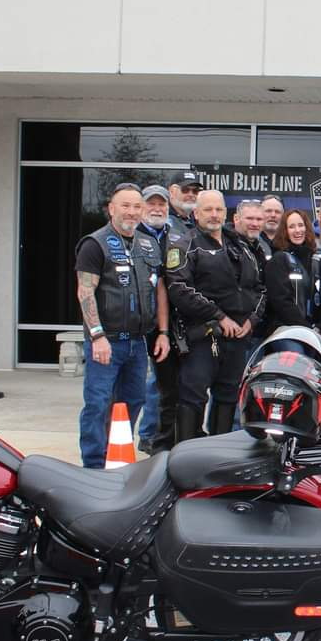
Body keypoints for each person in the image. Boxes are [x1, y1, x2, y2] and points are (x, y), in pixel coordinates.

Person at [75, 183, 169, 468]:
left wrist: (162, 332)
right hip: (107, 341)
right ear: (111, 209)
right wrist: (97, 335)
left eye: (136, 206)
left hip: (138, 342)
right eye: (125, 206)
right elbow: (85, 292)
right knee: (98, 403)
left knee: (134, 400)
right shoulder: (94, 243)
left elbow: (159, 289)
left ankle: (117, 454)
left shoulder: (147, 243)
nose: (131, 211)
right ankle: (93, 464)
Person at [165, 189, 266, 444]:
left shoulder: (241, 246)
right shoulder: (185, 245)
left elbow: (260, 289)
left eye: (218, 209)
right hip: (203, 335)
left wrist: (251, 321)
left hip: (238, 338)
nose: (213, 215)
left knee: (228, 395)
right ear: (196, 213)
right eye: (208, 210)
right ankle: (185, 453)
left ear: (226, 214)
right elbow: (179, 288)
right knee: (193, 396)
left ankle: (218, 455)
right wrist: (219, 317)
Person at [137, 183, 173, 454]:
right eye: (152, 204)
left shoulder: (174, 234)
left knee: (164, 381)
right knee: (150, 383)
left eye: (162, 204)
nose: (157, 209)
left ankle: (160, 432)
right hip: (142, 322)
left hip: (168, 321)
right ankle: (147, 434)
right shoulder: (132, 236)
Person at [264, 208, 316, 331]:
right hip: (285, 329)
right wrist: (305, 327)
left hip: (312, 329)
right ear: (285, 231)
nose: (297, 230)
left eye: (301, 225)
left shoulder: (314, 259)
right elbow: (281, 302)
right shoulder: (279, 260)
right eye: (291, 227)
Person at [166, 170, 202, 236]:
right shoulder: (161, 218)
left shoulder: (199, 219)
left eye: (195, 191)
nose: (191, 195)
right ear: (172, 191)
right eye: (185, 190)